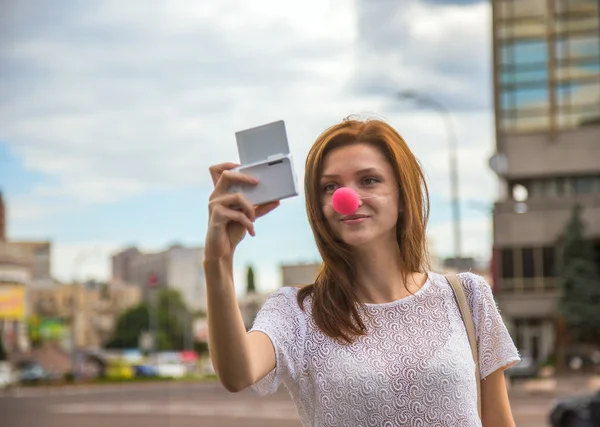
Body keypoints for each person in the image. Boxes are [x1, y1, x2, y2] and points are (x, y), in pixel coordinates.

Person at [204, 117, 521, 426]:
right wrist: (218, 261)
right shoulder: (295, 312)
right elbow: (237, 373)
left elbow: (498, 421)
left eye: (369, 180)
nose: (347, 198)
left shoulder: (467, 295)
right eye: (330, 186)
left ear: (401, 196)